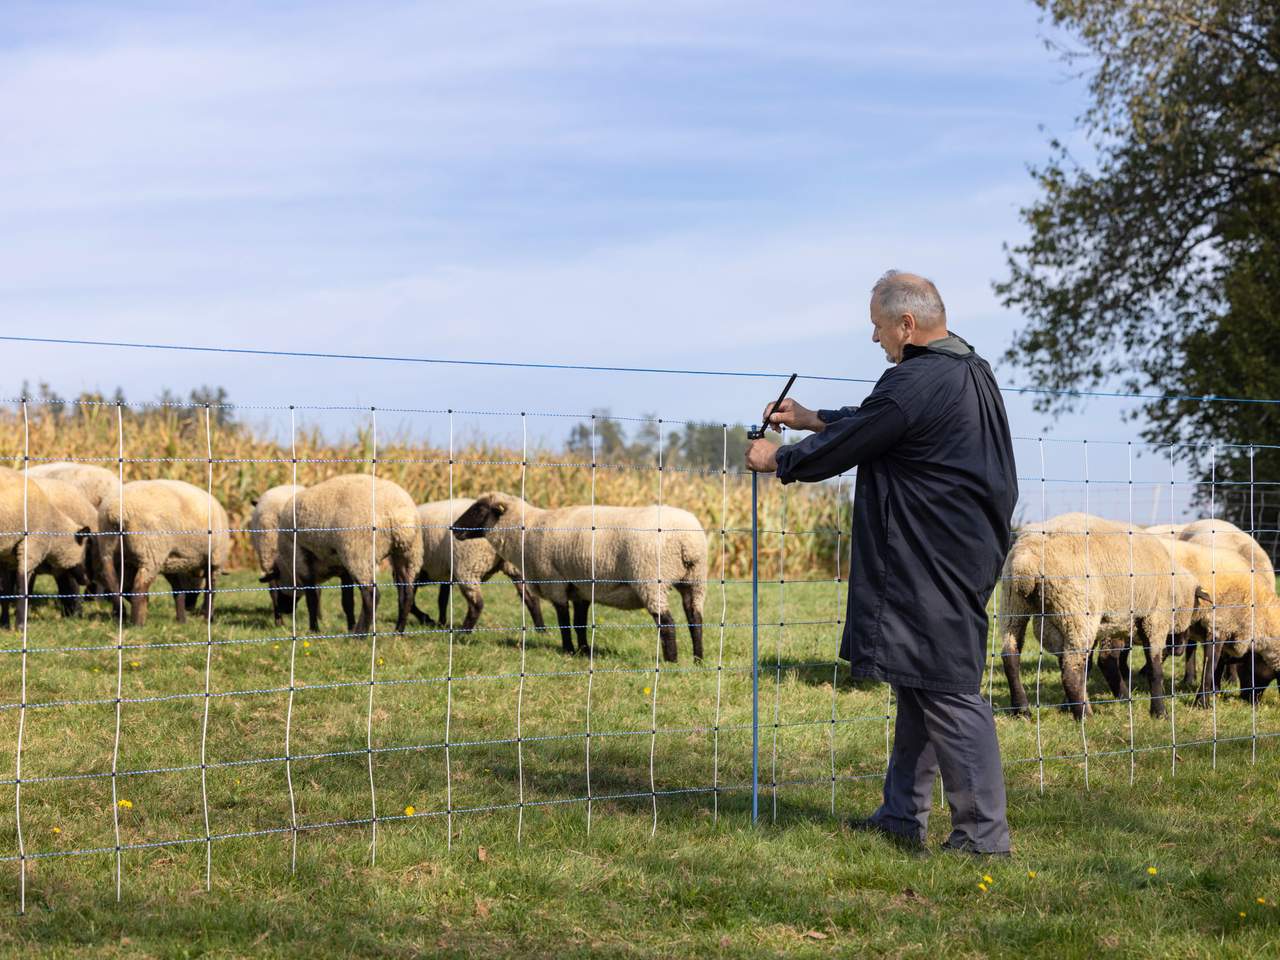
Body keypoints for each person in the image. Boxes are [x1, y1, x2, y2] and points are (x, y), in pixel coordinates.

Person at [744, 270, 1018, 856]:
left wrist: (780, 459)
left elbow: (865, 436)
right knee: (919, 683)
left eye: (877, 328)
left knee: (948, 690)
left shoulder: (918, 379)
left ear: (907, 324)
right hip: (956, 548)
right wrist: (814, 417)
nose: (875, 340)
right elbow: (880, 424)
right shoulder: (966, 370)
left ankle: (984, 836)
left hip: (931, 553)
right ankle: (901, 816)